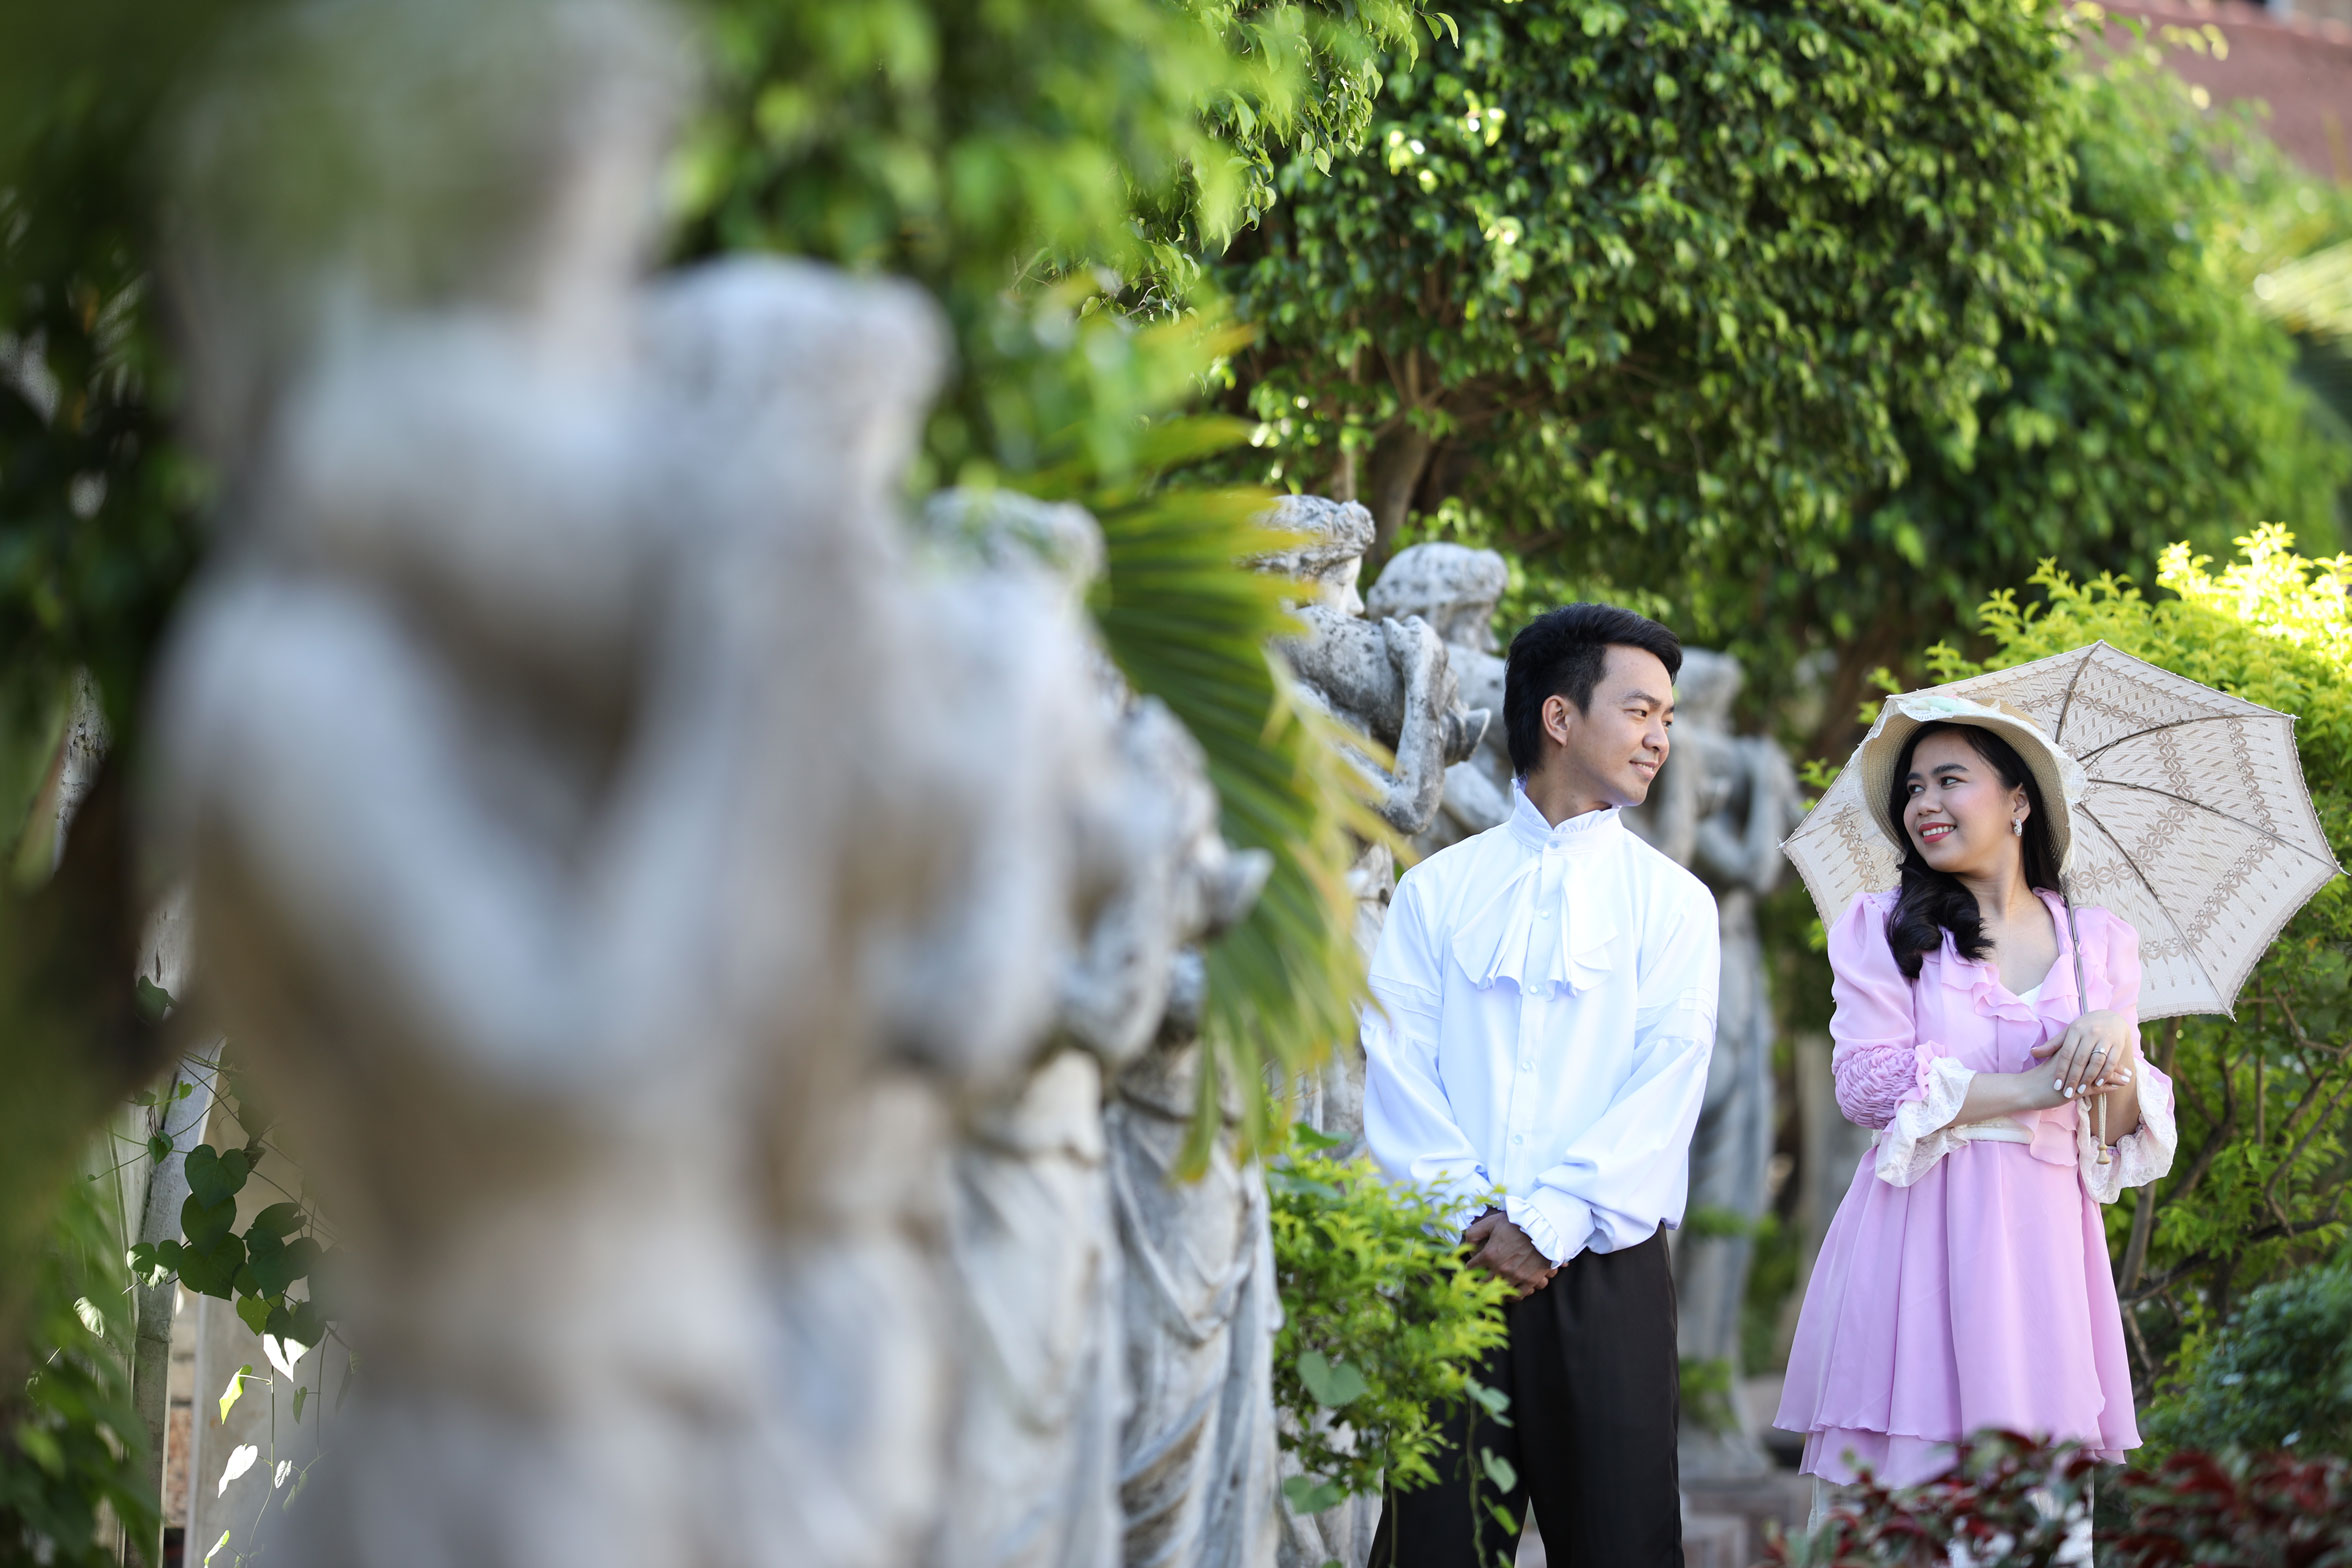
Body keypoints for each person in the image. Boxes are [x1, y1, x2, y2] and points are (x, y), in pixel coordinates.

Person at [1362, 603, 1721, 1568]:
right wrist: (1472, 1219)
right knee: (1432, 1549)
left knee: (1621, 1548)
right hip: (1455, 1262)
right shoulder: (1436, 890)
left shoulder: (1675, 905)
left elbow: (1667, 1084)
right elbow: (1396, 1066)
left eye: (1667, 719)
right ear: (1559, 717)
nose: (1659, 739)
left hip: (1605, 1268)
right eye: (1640, 711)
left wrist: (1549, 1222)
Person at [1774, 699, 2178, 1500]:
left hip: (2046, 1249)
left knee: (2030, 1498)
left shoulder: (2098, 943)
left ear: (2018, 800)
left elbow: (2112, 1129)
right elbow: (1867, 1085)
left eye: (1949, 780)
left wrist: (2115, 1046)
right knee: (1913, 1499)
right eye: (1914, 788)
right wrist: (2034, 1087)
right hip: (1918, 1236)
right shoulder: (1883, 928)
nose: (1925, 803)